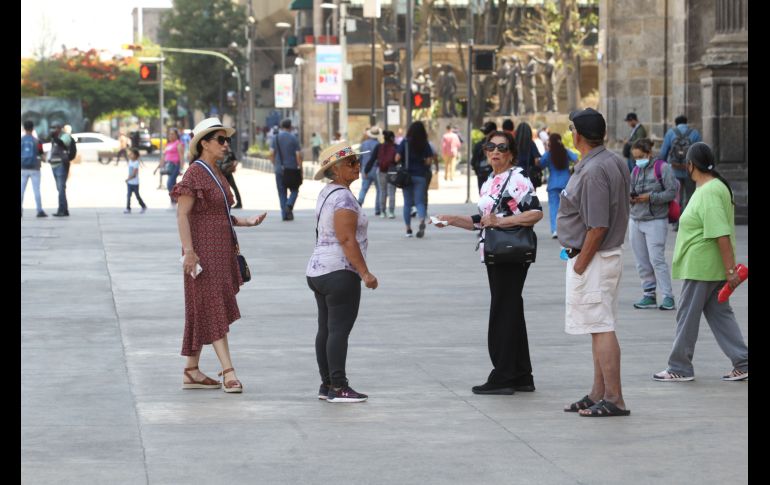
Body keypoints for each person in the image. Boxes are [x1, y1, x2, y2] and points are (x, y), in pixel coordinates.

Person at [431, 130, 543, 395]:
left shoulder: (517, 177)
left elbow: (535, 213)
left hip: (511, 253)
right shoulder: (490, 180)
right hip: (496, 252)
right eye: (490, 147)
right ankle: (522, 375)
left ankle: (503, 376)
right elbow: (482, 220)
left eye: (502, 148)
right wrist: (451, 219)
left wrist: (501, 222)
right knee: (511, 310)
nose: (495, 152)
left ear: (511, 153)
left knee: (503, 311)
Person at [170, 117, 267, 394]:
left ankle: (191, 370)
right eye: (221, 140)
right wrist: (189, 252)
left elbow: (216, 214)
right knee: (212, 307)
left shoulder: (216, 172)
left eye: (227, 140)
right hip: (202, 253)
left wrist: (245, 222)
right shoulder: (194, 173)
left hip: (220, 251)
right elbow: (182, 215)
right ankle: (228, 371)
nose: (226, 145)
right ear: (204, 143)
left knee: (202, 307)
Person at [652, 142, 748, 383]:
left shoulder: (709, 192)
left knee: (686, 315)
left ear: (691, 165)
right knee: (720, 315)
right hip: (708, 267)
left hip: (702, 267)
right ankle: (743, 362)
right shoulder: (713, 187)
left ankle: (679, 367)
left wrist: (731, 271)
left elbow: (720, 233)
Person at [558, 108, 631, 417]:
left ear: (577, 136)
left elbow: (598, 226)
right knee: (598, 325)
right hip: (601, 257)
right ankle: (598, 393)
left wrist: (580, 264)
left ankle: (614, 398)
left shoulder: (594, 170)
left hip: (594, 258)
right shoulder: (612, 161)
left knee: (601, 326)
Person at [307, 142, 379, 403]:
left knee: (326, 329)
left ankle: (327, 384)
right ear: (335, 169)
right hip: (339, 271)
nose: (357, 166)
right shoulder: (345, 198)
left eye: (357, 161)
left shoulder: (327, 192)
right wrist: (365, 273)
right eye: (351, 163)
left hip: (318, 270)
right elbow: (346, 239)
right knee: (338, 330)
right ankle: (338, 387)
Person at [628, 138, 678, 310]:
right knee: (641, 261)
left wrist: (651, 197)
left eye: (640, 156)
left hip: (656, 220)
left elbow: (671, 192)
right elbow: (630, 190)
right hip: (635, 219)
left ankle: (668, 296)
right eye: (635, 157)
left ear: (649, 153)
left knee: (657, 259)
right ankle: (648, 295)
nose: (637, 160)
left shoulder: (663, 168)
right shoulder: (635, 171)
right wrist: (631, 198)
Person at [659, 115, 702, 229]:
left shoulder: (670, 133)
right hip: (690, 170)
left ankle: (677, 222)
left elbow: (663, 153)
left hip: (674, 170)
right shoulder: (695, 133)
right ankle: (689, 222)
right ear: (686, 122)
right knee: (690, 196)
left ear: (676, 123)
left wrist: (661, 168)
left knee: (676, 197)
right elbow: (699, 152)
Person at [395, 121, 434, 238]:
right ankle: (421, 220)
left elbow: (397, 158)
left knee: (407, 203)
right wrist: (422, 163)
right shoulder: (425, 143)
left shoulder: (405, 142)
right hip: (420, 175)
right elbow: (429, 160)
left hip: (407, 176)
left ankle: (408, 229)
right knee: (419, 202)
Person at [537, 133, 577, 238]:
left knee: (554, 207)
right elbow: (576, 159)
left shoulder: (548, 154)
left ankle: (555, 230)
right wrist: (573, 170)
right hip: (566, 183)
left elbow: (540, 165)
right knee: (568, 207)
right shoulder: (566, 152)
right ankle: (568, 229)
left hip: (553, 183)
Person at [269, 118, 303, 221]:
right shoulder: (294, 138)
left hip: (279, 170)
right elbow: (298, 156)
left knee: (282, 192)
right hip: (292, 169)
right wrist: (300, 168)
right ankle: (289, 204)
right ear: (290, 126)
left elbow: (271, 154)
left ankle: (285, 214)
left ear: (281, 126)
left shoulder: (275, 138)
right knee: (295, 190)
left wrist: (275, 164)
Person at [47, 122, 77, 217]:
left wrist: (54, 137)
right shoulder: (54, 138)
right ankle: (64, 209)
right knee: (60, 188)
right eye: (52, 128)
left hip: (61, 165)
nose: (53, 130)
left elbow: (62, 143)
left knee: (61, 188)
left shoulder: (65, 136)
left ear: (60, 128)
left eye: (55, 128)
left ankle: (61, 210)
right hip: (54, 165)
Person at [367, 129, 398, 219]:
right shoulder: (396, 147)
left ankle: (382, 212)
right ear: (392, 138)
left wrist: (366, 170)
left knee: (382, 191)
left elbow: (372, 159)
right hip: (392, 170)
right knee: (392, 192)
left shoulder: (379, 146)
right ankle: (391, 212)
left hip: (381, 170)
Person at [21, 120, 47, 218]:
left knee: (21, 190)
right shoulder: (37, 141)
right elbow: (42, 155)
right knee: (36, 190)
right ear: (33, 129)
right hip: (35, 168)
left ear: (24, 128)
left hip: (23, 168)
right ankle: (39, 210)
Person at [357, 127, 382, 216]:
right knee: (379, 189)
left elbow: (360, 157)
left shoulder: (364, 144)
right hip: (376, 168)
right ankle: (378, 209)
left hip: (365, 168)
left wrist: (360, 169)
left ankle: (359, 202)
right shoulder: (379, 145)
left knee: (364, 188)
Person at [159, 128, 185, 210]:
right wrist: (159, 166)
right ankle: (174, 202)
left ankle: (176, 200)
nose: (170, 135)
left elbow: (181, 157)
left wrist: (181, 168)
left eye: (173, 134)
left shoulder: (178, 144)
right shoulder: (168, 144)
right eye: (170, 134)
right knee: (173, 184)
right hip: (168, 166)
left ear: (177, 135)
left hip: (175, 166)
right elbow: (164, 156)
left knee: (169, 183)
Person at [470, 121, 497, 192]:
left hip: (481, 176)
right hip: (495, 177)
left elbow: (473, 162)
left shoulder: (478, 145)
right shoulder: (499, 145)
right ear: (494, 131)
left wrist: (478, 172)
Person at [124, 148, 147, 214]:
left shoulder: (136, 163)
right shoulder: (130, 161)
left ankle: (143, 206)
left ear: (136, 155)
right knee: (128, 196)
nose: (130, 155)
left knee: (137, 196)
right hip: (130, 183)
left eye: (132, 154)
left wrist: (127, 179)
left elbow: (134, 174)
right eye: (130, 154)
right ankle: (128, 208)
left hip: (135, 183)